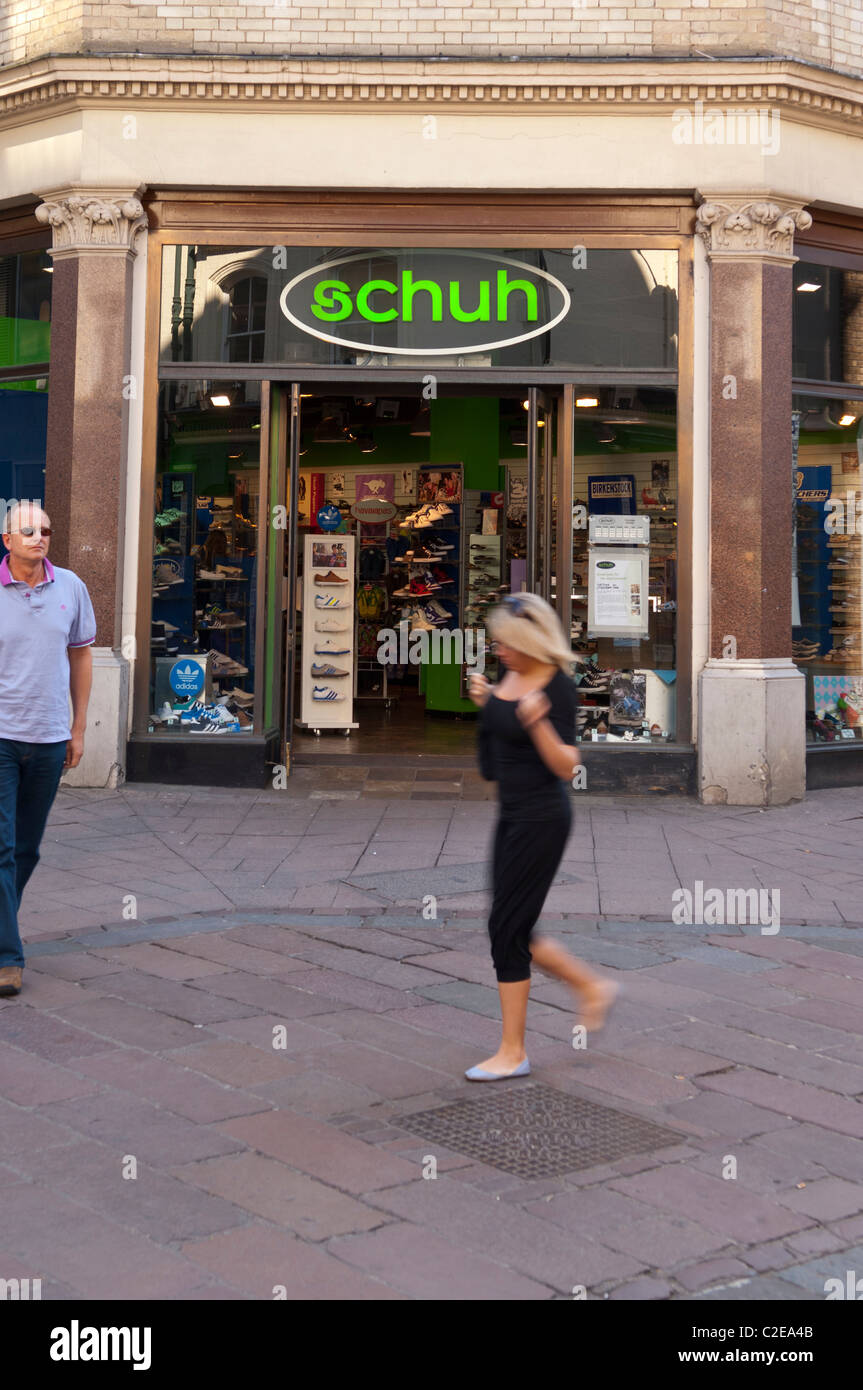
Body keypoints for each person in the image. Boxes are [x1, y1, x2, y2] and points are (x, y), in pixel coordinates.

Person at [466, 592, 618, 1080]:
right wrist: (488, 703)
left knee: (507, 929)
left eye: (506, 641)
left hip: (542, 820)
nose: (498, 648)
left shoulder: (558, 686)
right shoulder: (509, 676)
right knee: (510, 926)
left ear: (529, 641)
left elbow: (568, 767)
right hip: (512, 816)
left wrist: (536, 725)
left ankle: (513, 1052)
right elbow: (493, 762)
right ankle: (590, 986)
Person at [0, 502, 96, 997]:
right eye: (28, 531)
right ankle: (8, 958)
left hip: (50, 736)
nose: (39, 538)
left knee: (26, 848)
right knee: (1, 846)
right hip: (1, 736)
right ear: (7, 540)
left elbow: (81, 657)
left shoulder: (72, 587)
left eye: (46, 531)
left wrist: (78, 729)